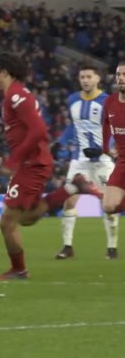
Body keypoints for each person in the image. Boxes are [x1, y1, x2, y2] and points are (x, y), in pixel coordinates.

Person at [0, 52, 102, 281]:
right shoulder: (15, 95)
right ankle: (73, 187)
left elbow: (39, 130)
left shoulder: (16, 96)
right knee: (27, 218)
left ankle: (19, 270)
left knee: (7, 221)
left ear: (4, 73)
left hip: (31, 163)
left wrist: (15, 159)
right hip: (34, 162)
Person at [55, 65, 118, 260]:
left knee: (109, 205)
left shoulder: (108, 101)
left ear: (98, 78)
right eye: (82, 77)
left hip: (103, 161)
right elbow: (73, 127)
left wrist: (104, 149)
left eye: (89, 77)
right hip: (79, 161)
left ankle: (112, 248)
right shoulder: (73, 100)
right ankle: (67, 246)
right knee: (69, 200)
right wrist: (59, 142)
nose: (85, 80)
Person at [101, 63, 125, 256]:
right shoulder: (109, 102)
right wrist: (106, 147)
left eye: (124, 74)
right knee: (108, 206)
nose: (121, 78)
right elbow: (106, 125)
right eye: (118, 74)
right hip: (122, 161)